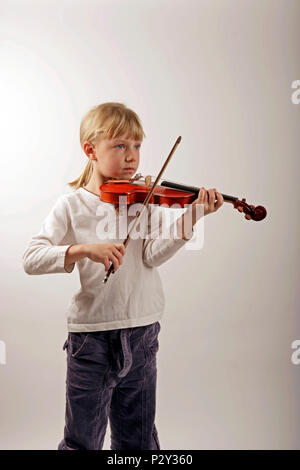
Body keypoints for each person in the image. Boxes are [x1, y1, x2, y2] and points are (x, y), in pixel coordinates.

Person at [22, 102, 223, 450]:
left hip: (143, 333)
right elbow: (31, 258)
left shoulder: (143, 202)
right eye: (120, 145)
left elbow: (152, 255)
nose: (132, 157)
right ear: (90, 150)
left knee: (138, 440)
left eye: (137, 146)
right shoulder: (72, 206)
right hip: (91, 340)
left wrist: (194, 216)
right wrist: (84, 249)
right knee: (82, 440)